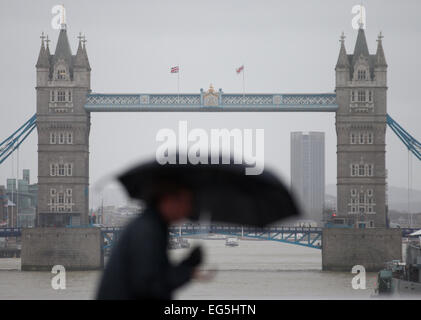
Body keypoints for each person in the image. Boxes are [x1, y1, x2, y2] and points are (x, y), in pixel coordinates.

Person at [96, 181, 203, 300]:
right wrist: (186, 271)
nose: (189, 208)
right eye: (185, 202)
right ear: (167, 199)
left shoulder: (152, 225)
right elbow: (149, 286)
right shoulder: (147, 230)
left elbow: (154, 275)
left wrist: (188, 265)